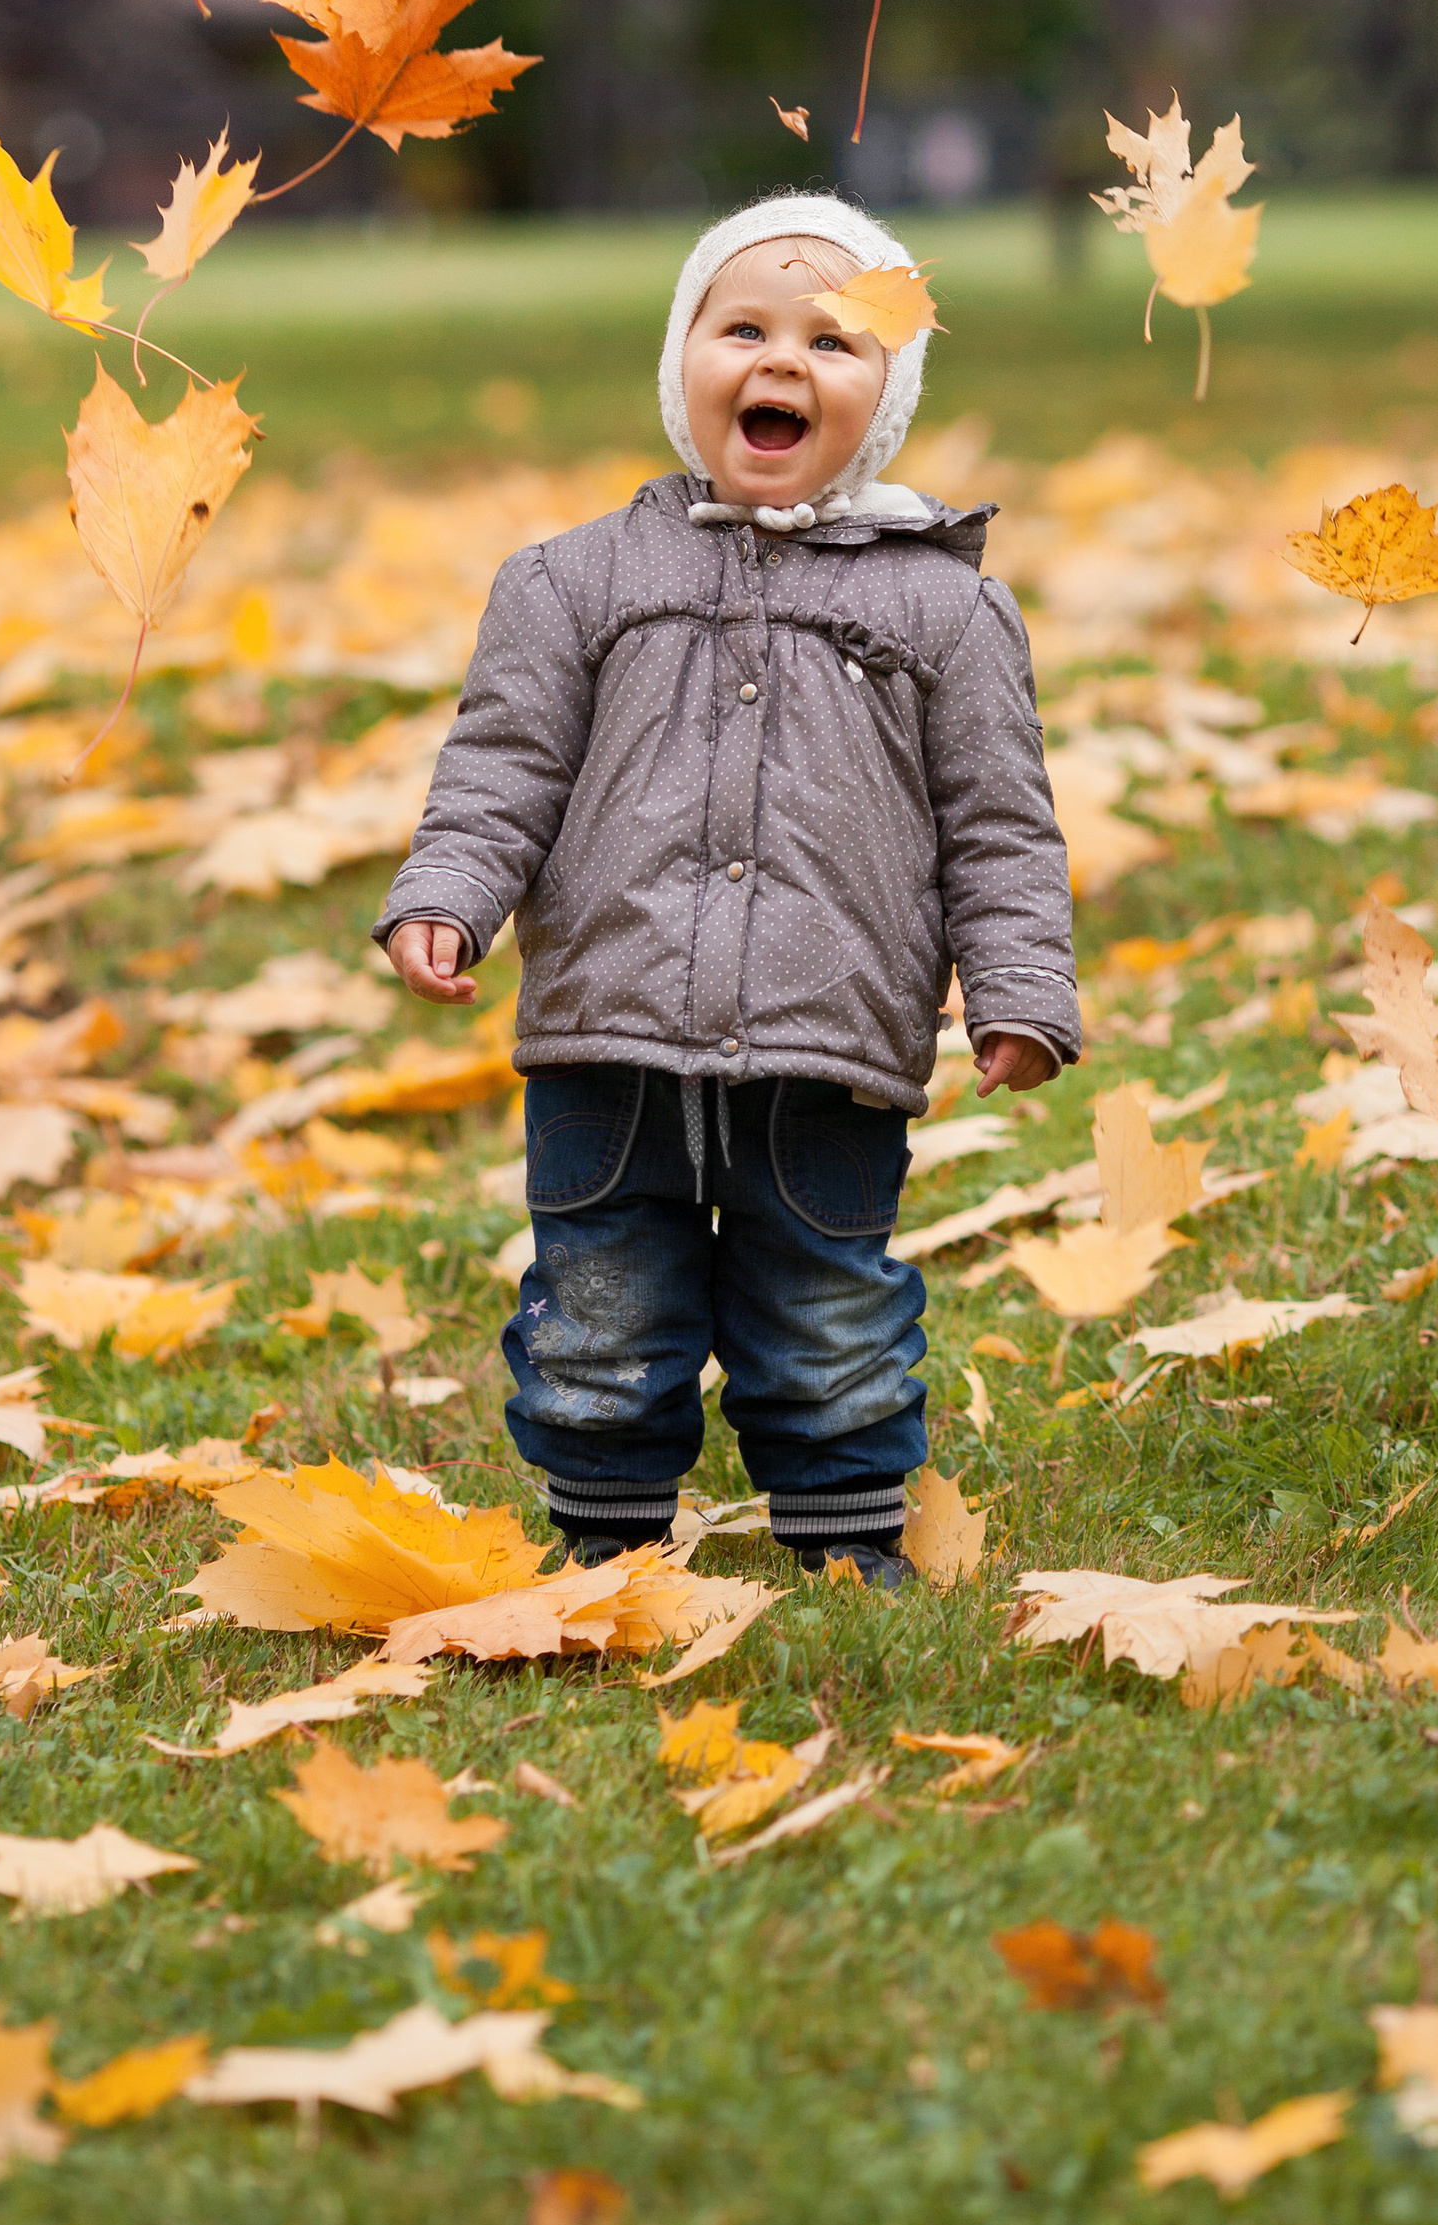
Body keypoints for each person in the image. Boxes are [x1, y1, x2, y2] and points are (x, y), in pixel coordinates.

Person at [376, 189, 1081, 1586]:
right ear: (680, 359)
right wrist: (446, 891)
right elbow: (501, 764)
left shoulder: (944, 609)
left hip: (831, 1040)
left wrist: (1019, 992)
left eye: (834, 340)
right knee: (597, 1301)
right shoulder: (575, 582)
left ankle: (844, 1532)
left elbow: (1000, 825)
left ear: (885, 397)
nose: (781, 361)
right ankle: (604, 1530)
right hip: (608, 1031)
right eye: (743, 324)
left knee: (827, 1304)